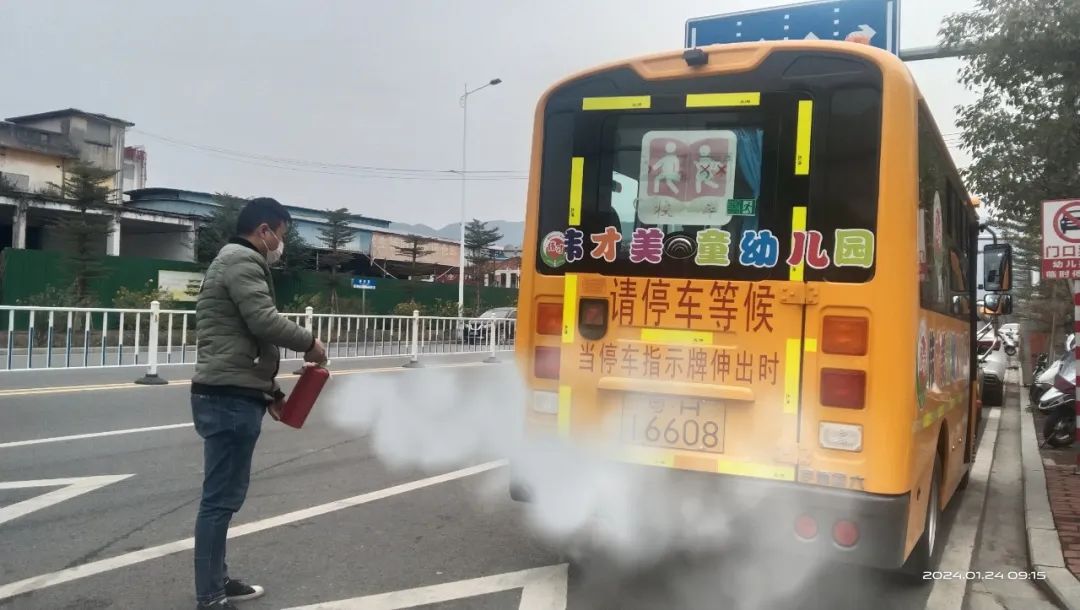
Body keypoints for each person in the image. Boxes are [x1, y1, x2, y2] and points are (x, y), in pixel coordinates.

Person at [190, 197, 327, 609]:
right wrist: (311, 344)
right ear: (264, 230)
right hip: (227, 400)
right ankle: (210, 595)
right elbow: (263, 322)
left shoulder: (231, 260)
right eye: (281, 235)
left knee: (223, 498)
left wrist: (271, 392)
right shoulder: (243, 261)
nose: (280, 245)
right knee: (219, 501)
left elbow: (243, 342)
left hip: (232, 392)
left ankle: (218, 580)